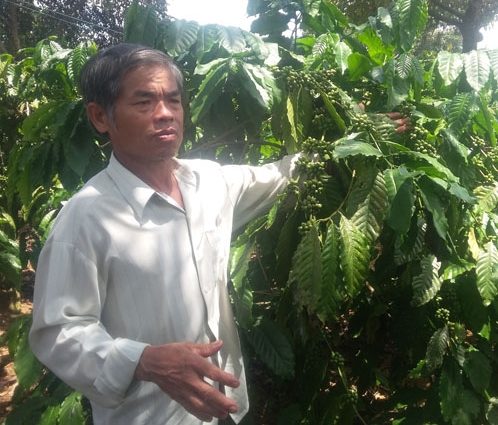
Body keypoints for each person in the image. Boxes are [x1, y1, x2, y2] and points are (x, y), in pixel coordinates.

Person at [29, 43, 410, 425]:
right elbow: (58, 331)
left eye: (173, 100)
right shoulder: (86, 218)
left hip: (227, 407)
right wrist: (144, 361)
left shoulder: (207, 181)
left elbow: (282, 176)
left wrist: (356, 138)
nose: (165, 114)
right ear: (100, 116)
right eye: (144, 102)